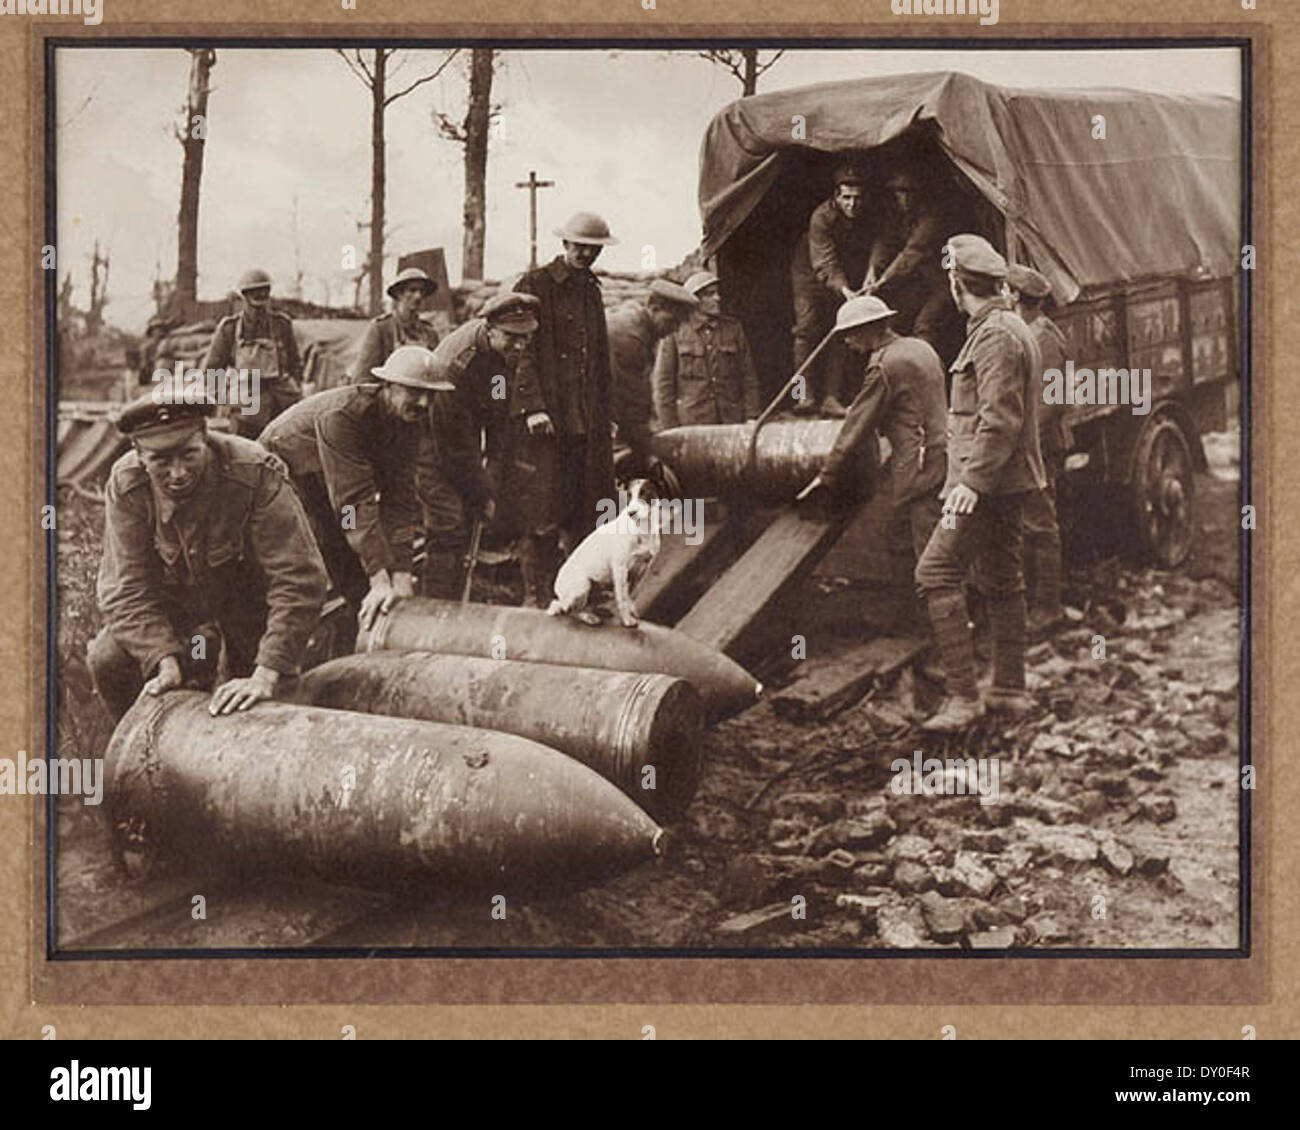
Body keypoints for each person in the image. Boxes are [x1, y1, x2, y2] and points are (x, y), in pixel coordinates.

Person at [88, 394, 328, 722]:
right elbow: (125, 589)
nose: (178, 473)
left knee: (260, 709)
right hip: (179, 604)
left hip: (248, 601)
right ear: (139, 455)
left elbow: (298, 576)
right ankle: (140, 752)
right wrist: (162, 657)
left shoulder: (254, 471)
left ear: (204, 436)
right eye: (160, 460)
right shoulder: (128, 485)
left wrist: (267, 672)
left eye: (189, 454)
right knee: (108, 658)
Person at [914, 234, 1046, 731]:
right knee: (1001, 578)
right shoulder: (1008, 326)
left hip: (983, 486)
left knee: (935, 572)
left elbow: (999, 418)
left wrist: (971, 482)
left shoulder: (993, 336)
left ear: (956, 284)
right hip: (1004, 483)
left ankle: (963, 699)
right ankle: (1010, 690)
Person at [259, 346, 454, 642]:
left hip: (327, 485)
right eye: (414, 392)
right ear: (388, 386)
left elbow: (400, 499)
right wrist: (379, 576)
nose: (424, 402)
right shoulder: (344, 416)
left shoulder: (409, 423)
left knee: (360, 579)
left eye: (431, 394)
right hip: (283, 478)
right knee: (311, 570)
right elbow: (351, 503)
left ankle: (351, 647)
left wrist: (400, 571)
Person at [509, 210, 619, 607]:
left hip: (584, 420)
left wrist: (607, 416)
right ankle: (535, 598)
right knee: (542, 509)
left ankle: (579, 593)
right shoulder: (535, 284)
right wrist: (532, 406)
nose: (587, 254)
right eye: (581, 246)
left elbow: (600, 358)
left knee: (584, 506)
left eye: (594, 249)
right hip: (547, 421)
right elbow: (519, 349)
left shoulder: (592, 289)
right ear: (566, 244)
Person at [798, 296, 948, 570]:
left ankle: (945, 611)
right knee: (901, 537)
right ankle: (913, 608)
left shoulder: (884, 365)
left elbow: (857, 425)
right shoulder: (920, 348)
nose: (847, 342)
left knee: (932, 561)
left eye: (849, 335)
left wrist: (825, 476)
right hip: (942, 458)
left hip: (918, 468)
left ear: (869, 329)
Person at [419, 292, 542, 599]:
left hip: (463, 437)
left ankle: (465, 591)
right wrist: (482, 491)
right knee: (448, 522)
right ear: (489, 329)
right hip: (429, 439)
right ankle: (435, 607)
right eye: (513, 338)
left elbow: (499, 412)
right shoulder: (458, 363)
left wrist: (496, 470)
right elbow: (453, 448)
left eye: (526, 338)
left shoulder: (504, 355)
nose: (520, 346)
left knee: (478, 508)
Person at [1007, 263, 1070, 635]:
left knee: (1041, 525)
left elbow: (1050, 402)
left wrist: (1018, 441)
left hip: (1039, 445)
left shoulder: (1043, 339)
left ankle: (1049, 608)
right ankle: (1035, 601)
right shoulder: (1029, 332)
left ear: (1016, 298)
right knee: (1029, 523)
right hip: (1030, 443)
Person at [789, 164, 874, 418]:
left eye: (857, 198)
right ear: (836, 197)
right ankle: (802, 394)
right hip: (810, 275)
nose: (852, 204)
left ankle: (831, 398)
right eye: (846, 198)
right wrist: (845, 289)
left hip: (843, 276)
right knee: (806, 330)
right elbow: (824, 263)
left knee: (843, 331)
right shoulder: (821, 218)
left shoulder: (869, 213)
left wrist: (873, 269)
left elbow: (882, 239)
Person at [606, 278, 699, 475]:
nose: (674, 330)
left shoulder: (636, 320)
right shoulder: (629, 337)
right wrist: (648, 448)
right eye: (672, 322)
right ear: (654, 307)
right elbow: (630, 402)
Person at [863, 168, 955, 358]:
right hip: (918, 283)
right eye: (899, 192)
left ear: (919, 193)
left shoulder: (932, 216)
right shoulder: (898, 215)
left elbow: (913, 252)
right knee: (894, 321)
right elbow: (885, 241)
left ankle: (924, 372)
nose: (904, 198)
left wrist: (884, 279)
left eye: (909, 192)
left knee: (925, 325)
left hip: (943, 282)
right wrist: (872, 269)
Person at [200, 268, 303, 438]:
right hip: (246, 406)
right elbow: (212, 370)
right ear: (245, 297)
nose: (259, 309)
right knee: (245, 454)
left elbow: (295, 362)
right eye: (255, 298)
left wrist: (294, 386)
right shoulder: (230, 328)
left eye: (264, 295)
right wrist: (223, 400)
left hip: (282, 402)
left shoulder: (281, 324)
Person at [652, 271, 761, 430]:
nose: (717, 298)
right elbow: (664, 385)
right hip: (692, 424)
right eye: (709, 294)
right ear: (694, 300)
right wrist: (670, 427)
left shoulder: (733, 329)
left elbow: (748, 377)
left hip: (730, 420)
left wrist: (752, 416)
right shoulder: (675, 331)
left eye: (717, 293)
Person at [350, 267, 441, 380]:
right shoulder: (381, 328)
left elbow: (436, 374)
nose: (418, 296)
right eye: (412, 290)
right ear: (399, 294)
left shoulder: (429, 333)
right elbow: (362, 377)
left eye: (422, 291)